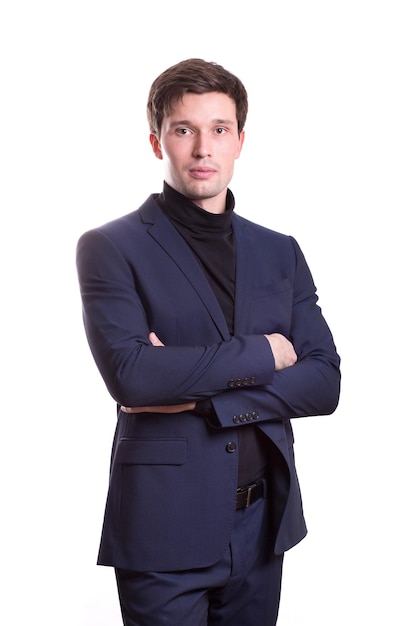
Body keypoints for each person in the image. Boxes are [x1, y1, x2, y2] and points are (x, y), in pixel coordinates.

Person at [76, 58, 341, 626]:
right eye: (183, 130)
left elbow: (324, 380)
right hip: (162, 527)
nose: (203, 148)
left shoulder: (280, 251)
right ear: (157, 142)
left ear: (240, 140)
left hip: (261, 524)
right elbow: (132, 375)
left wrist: (204, 400)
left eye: (219, 129)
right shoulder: (110, 247)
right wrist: (265, 353)